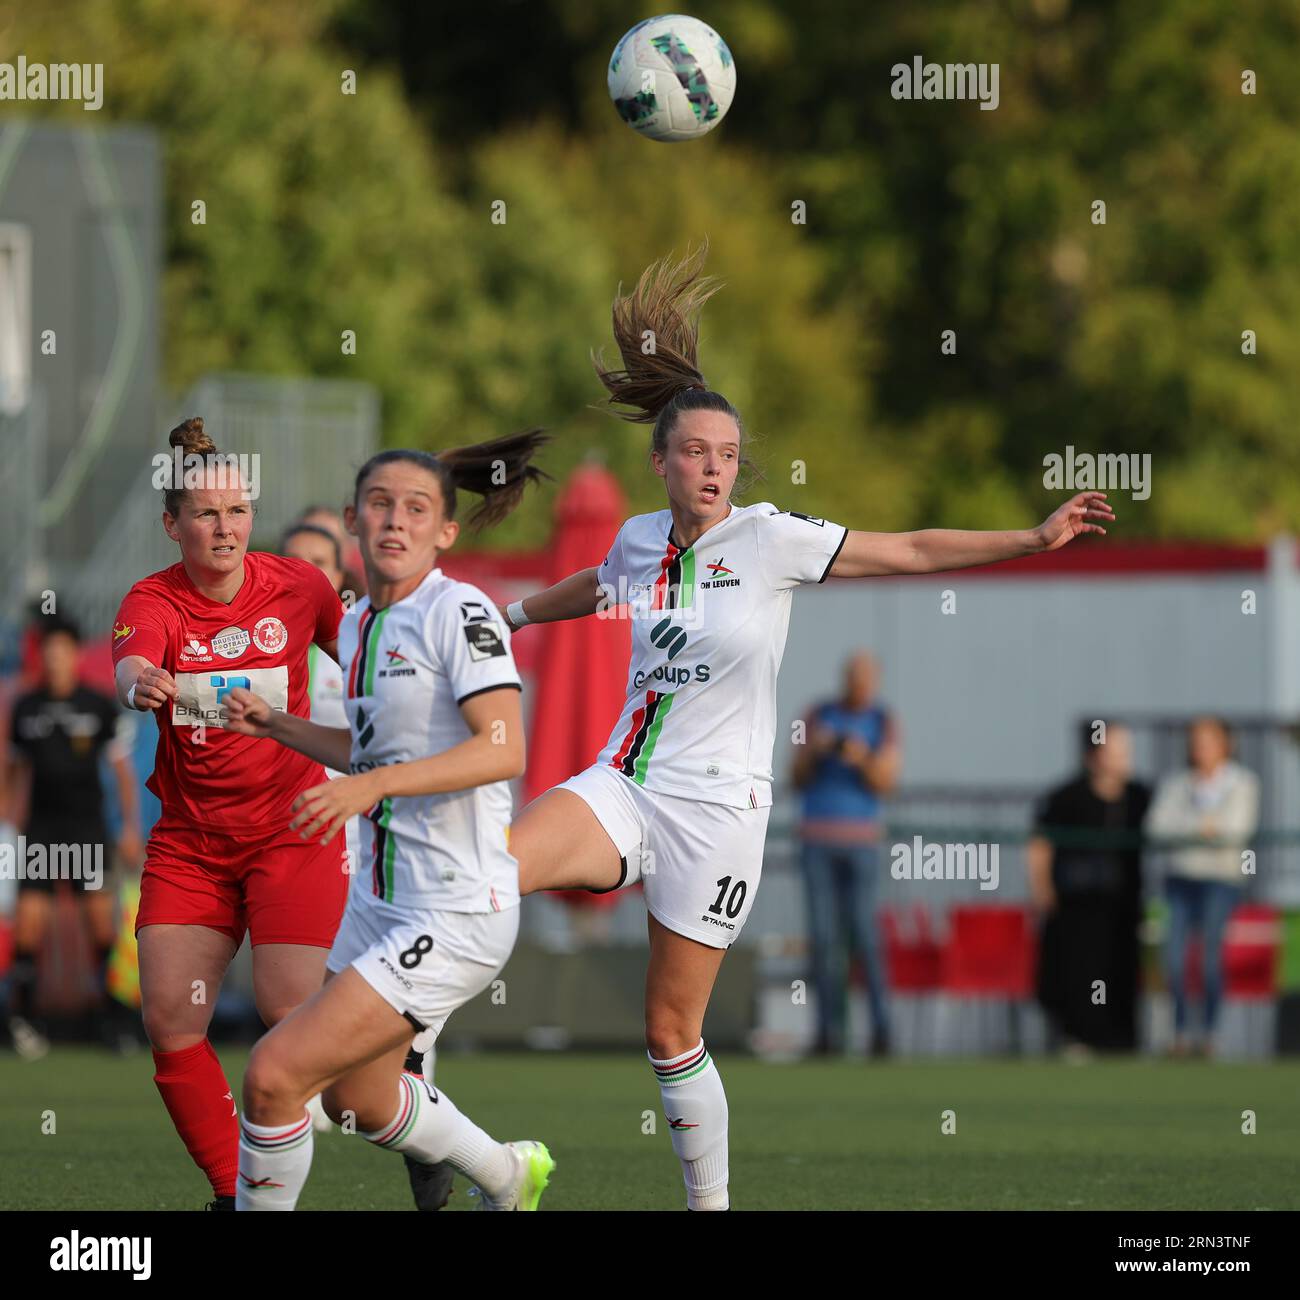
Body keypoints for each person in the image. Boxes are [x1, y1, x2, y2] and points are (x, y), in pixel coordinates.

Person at [498, 243, 1115, 1210]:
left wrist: (1031, 538)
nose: (711, 469)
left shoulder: (771, 539)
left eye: (727, 456)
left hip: (720, 813)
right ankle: (422, 1107)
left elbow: (907, 546)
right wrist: (519, 615)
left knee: (671, 1032)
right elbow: (599, 584)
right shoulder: (635, 539)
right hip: (622, 782)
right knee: (489, 872)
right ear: (658, 460)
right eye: (694, 453)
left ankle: (711, 1206)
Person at [223, 436, 556, 1212]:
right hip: (382, 904)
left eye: (416, 510)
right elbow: (366, 748)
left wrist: (369, 785)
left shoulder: (459, 611)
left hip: (454, 907)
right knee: (356, 1101)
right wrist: (276, 725)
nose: (395, 523)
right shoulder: (360, 623)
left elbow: (504, 748)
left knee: (273, 1075)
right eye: (380, 506)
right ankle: (509, 1175)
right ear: (352, 523)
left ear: (446, 531)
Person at [112, 417, 350, 1209]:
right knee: (171, 1023)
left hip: (294, 832)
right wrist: (140, 679)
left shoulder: (301, 587)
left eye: (238, 511)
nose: (226, 528)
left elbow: (368, 653)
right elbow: (133, 658)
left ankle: (427, 1125)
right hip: (193, 843)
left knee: (297, 1026)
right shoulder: (152, 599)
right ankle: (233, 1193)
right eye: (207, 515)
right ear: (172, 523)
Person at [3, 613, 143, 1057]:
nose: (54, 657)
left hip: (88, 832)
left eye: (62, 649)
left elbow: (122, 776)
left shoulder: (98, 705)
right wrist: (8, 826)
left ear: (74, 654)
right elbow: (13, 772)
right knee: (28, 929)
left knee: (101, 928)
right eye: (48, 650)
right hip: (41, 835)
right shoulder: (26, 707)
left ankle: (115, 1023)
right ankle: (23, 1023)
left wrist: (129, 829)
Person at [791, 652, 899, 1057]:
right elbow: (795, 777)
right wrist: (816, 752)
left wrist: (860, 757)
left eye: (867, 677)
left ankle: (881, 1033)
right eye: (854, 676)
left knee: (866, 939)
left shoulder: (884, 722)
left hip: (862, 844)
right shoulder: (816, 715)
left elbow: (886, 782)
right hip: (817, 840)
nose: (860, 684)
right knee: (822, 939)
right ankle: (826, 1035)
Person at [1027, 722, 1150, 1057]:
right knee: (1079, 971)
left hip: (1122, 907)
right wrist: (1042, 887)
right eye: (1116, 751)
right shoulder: (1066, 797)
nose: (1124, 759)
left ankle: (1121, 1040)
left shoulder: (1140, 797)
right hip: (1076, 906)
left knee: (1120, 972)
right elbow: (1040, 844)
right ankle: (1077, 1036)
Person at [1145, 717, 1259, 1057]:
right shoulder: (1176, 783)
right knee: (1174, 958)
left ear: (1226, 744)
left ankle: (1210, 1034)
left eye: (1208, 740)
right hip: (1180, 878)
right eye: (1195, 740)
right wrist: (1201, 827)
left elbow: (1235, 829)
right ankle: (1179, 1033)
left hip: (1220, 880)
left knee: (1210, 958)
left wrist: (1191, 830)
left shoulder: (1242, 783)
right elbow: (1157, 828)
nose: (1200, 747)